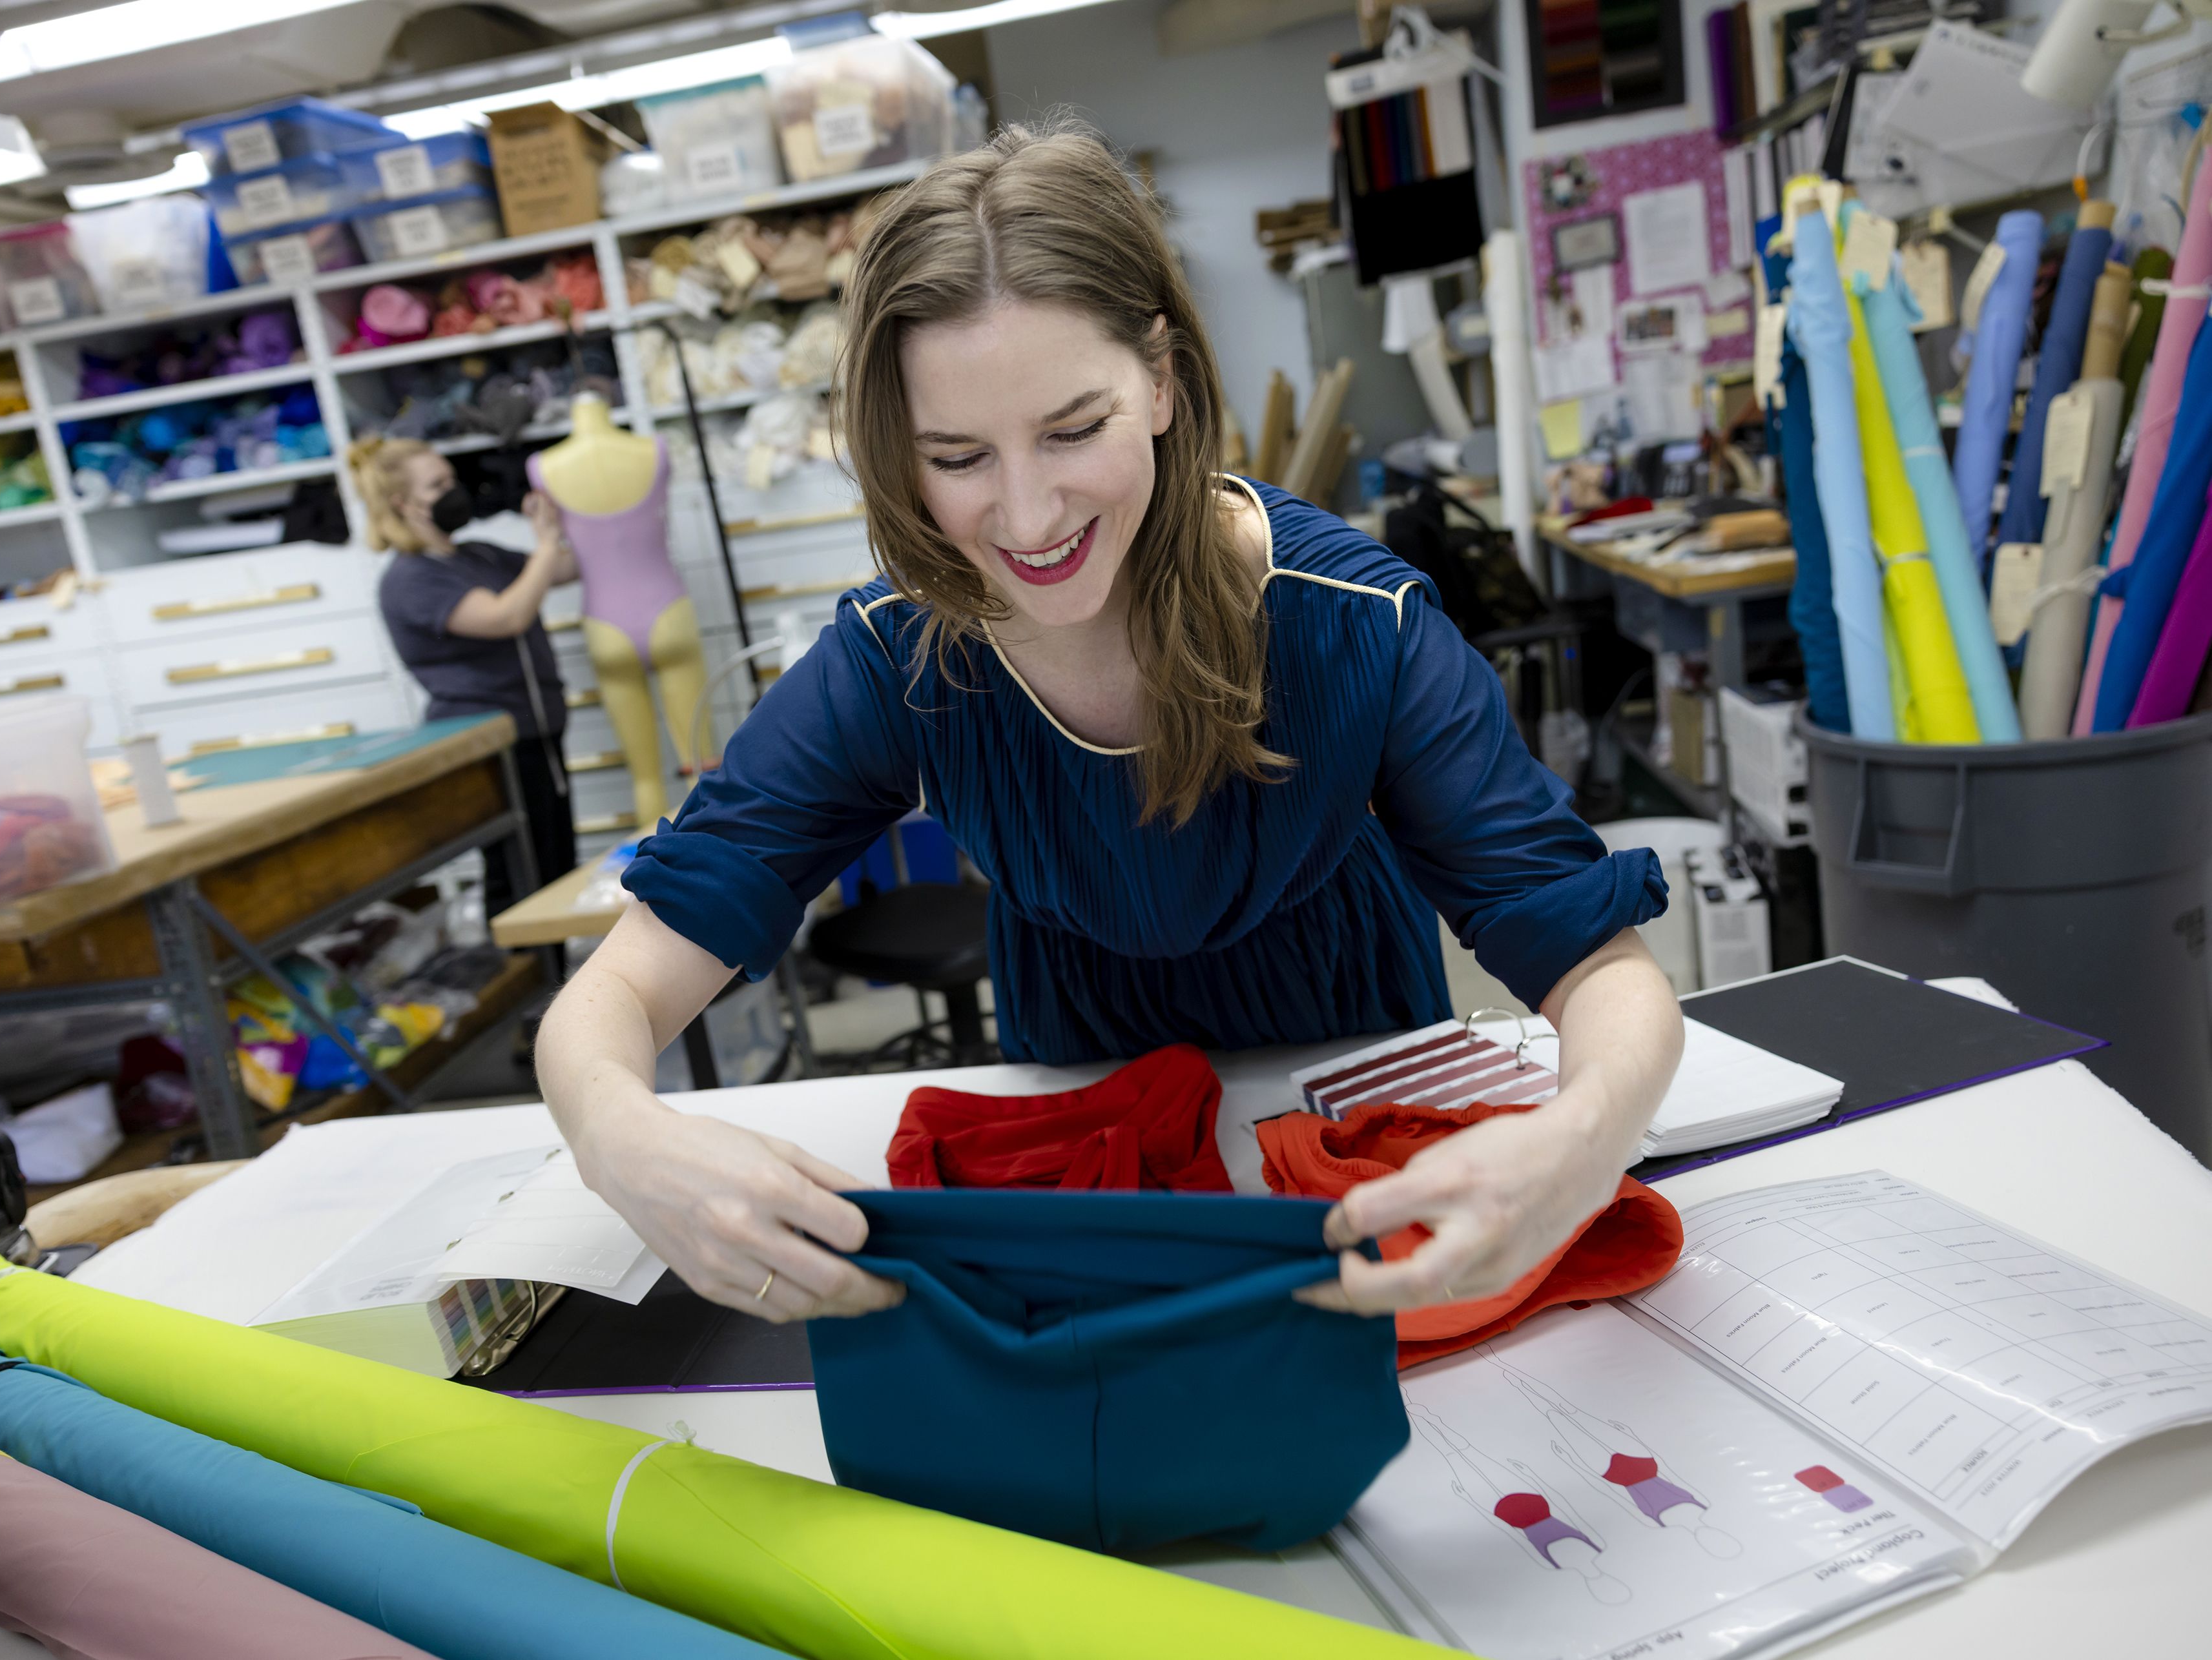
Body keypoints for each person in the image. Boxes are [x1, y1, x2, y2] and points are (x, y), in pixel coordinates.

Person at [537, 123, 1684, 1333]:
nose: (1027, 515)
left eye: (1073, 429)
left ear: (1162, 379)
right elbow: (614, 997)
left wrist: (1580, 1139)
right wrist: (624, 1140)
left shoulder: (1356, 625)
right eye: (957, 456)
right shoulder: (903, 658)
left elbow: (1598, 965)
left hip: (1352, 1098)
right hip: (1079, 1110)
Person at [350, 437, 580, 917]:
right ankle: (533, 981)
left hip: (538, 730)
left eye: (452, 479)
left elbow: (563, 569)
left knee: (556, 868)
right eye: (439, 485)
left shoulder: (476, 555)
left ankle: (560, 980)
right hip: (492, 744)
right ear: (403, 503)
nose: (455, 491)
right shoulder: (410, 579)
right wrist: (542, 544)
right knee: (521, 878)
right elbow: (505, 617)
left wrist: (579, 512)